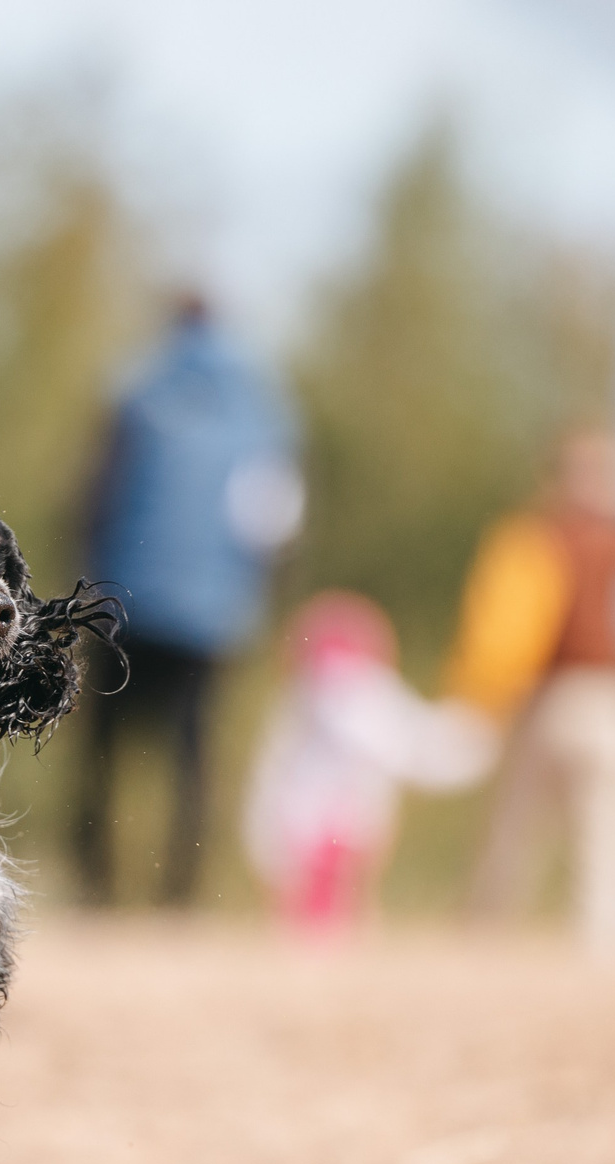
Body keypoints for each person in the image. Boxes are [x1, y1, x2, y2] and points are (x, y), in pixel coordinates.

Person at [447, 429, 615, 959]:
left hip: (552, 700)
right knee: (612, 848)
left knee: (511, 839)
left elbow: (506, 631)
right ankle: (603, 958)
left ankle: (482, 945)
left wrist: (480, 701)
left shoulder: (535, 540)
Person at [77, 293, 300, 907]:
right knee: (193, 752)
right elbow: (275, 519)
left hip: (125, 600)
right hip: (212, 613)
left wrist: (84, 587)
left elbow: (96, 494)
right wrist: (257, 601)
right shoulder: (261, 411)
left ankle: (98, 884)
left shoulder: (135, 393)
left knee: (104, 746)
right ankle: (180, 892)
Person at [242, 591, 496, 932]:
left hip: (319, 820)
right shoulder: (360, 692)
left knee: (316, 899)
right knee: (332, 894)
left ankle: (322, 936)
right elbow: (413, 747)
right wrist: (477, 745)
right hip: (328, 820)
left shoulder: (303, 697)